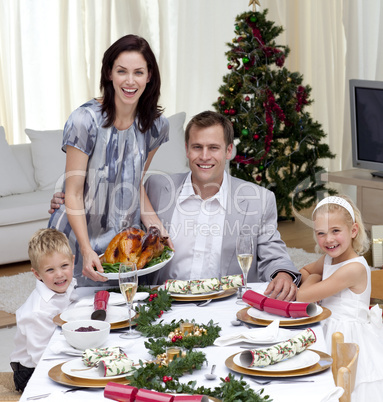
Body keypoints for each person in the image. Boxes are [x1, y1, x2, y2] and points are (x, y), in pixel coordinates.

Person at [51, 111, 300, 300]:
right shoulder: (157, 188)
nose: (204, 156)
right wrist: (71, 200)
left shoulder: (258, 199)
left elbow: (273, 252)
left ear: (229, 151)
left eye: (214, 148)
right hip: (164, 302)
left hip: (226, 302)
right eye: (197, 147)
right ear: (187, 150)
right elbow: (117, 213)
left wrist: (284, 274)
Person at [48, 34, 169, 286]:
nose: (129, 80)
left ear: (149, 76)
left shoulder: (156, 126)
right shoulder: (85, 121)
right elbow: (73, 192)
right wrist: (85, 249)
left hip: (123, 240)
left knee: (128, 314)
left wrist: (157, 228)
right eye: (121, 71)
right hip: (79, 235)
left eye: (138, 72)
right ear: (109, 74)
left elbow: (136, 183)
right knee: (80, 317)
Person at [296, 195, 383, 401]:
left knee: (344, 385)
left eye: (336, 231)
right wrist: (317, 279)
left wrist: (315, 282)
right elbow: (304, 271)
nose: (329, 239)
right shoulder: (329, 258)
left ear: (353, 230)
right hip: (327, 325)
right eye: (321, 233)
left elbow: (302, 296)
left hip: (347, 335)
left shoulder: (353, 268)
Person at [10, 228, 77, 392]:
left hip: (58, 348)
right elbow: (41, 358)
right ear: (37, 274)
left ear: (73, 262)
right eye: (50, 270)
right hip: (31, 370)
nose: (59, 274)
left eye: (64, 266)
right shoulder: (37, 312)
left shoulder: (70, 285)